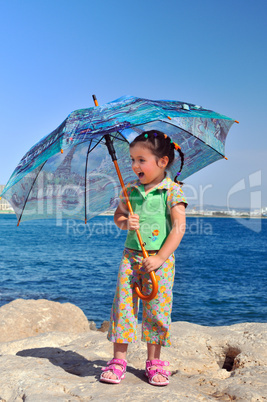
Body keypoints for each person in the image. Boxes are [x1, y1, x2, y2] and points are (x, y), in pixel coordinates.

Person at [100, 130, 187, 386]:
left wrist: (160, 257)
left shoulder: (172, 191)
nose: (135, 165)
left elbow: (179, 227)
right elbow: (118, 218)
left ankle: (154, 362)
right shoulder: (130, 191)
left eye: (141, 160)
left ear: (162, 162)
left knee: (157, 309)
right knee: (124, 307)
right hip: (131, 258)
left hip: (159, 260)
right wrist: (126, 222)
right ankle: (118, 360)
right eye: (132, 160)